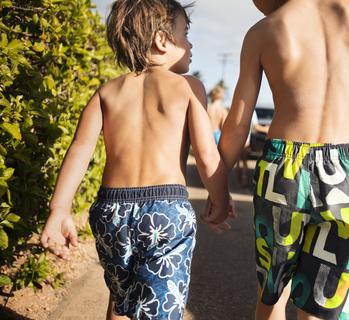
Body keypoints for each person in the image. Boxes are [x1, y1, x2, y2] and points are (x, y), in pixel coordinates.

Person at [215, 0, 349, 319]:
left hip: (281, 170)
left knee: (273, 294)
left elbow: (238, 123)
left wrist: (218, 186)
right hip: (342, 170)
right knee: (323, 301)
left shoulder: (265, 30)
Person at [40, 1, 234, 319]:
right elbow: (206, 154)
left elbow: (79, 150)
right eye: (185, 34)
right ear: (161, 40)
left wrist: (59, 210)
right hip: (165, 212)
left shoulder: (105, 92)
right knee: (159, 308)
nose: (191, 43)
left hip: (110, 213)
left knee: (122, 297)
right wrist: (220, 198)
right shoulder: (188, 87)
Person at [235, 109, 269, 188]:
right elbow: (256, 126)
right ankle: (244, 179)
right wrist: (265, 129)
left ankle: (239, 183)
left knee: (237, 162)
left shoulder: (237, 109)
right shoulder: (251, 111)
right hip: (246, 139)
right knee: (244, 161)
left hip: (236, 139)